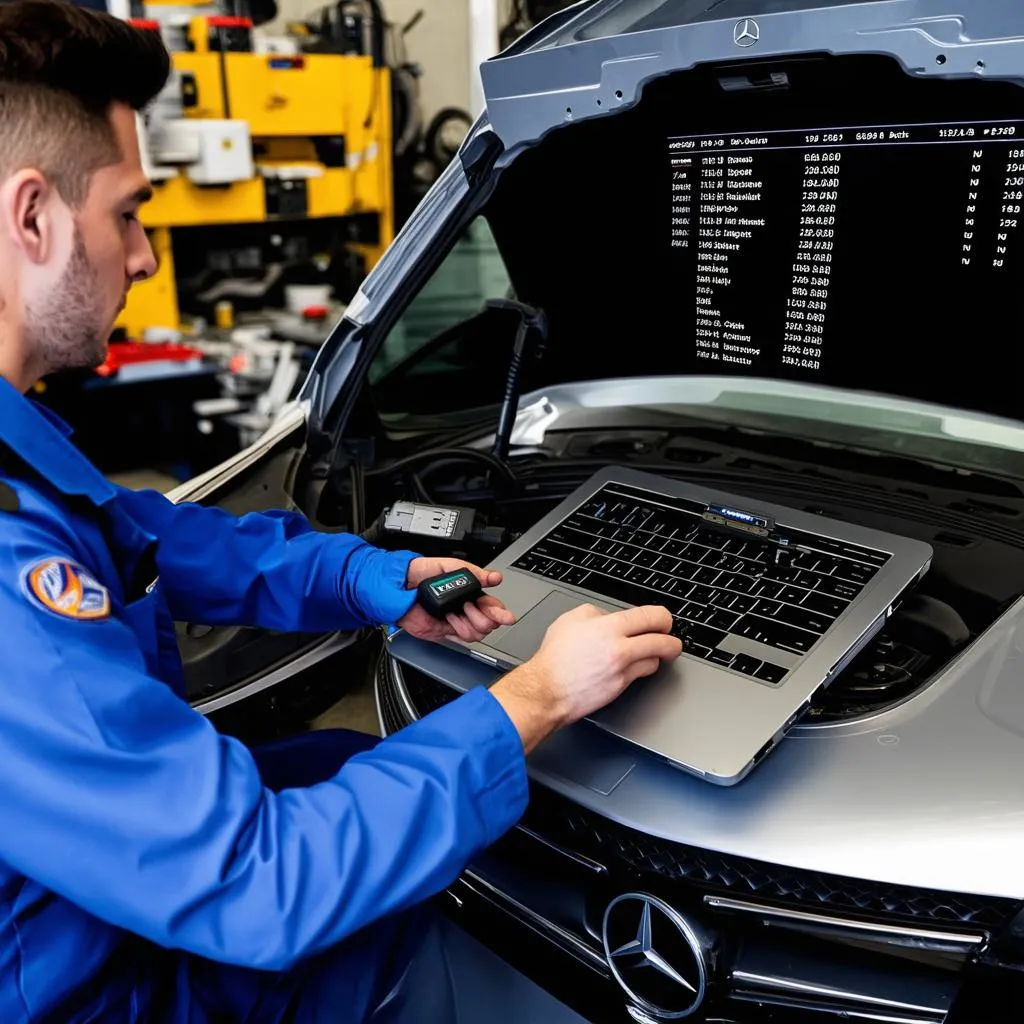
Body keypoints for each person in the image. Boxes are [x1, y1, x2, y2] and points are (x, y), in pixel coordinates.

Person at [0, 3, 684, 1021]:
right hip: (109, 992)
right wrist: (530, 701)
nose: (143, 256)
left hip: (100, 911)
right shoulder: (14, 585)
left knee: (337, 758)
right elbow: (263, 887)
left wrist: (373, 581)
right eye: (130, 212)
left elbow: (156, 543)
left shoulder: (27, 456)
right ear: (32, 217)